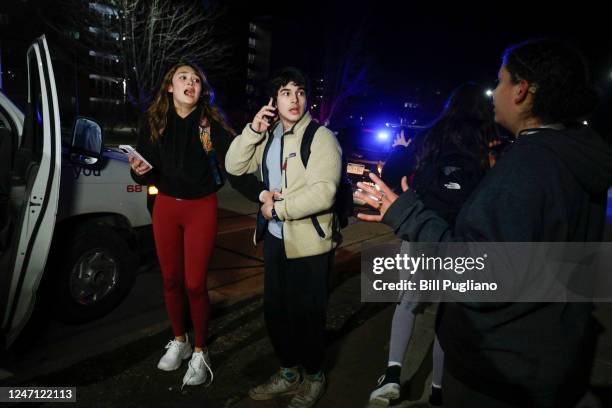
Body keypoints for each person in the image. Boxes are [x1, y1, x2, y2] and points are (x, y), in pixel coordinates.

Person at [355, 39, 612, 408]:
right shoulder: (573, 154)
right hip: (545, 355)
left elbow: (478, 278)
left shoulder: (527, 167)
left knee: (409, 303)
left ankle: (398, 376)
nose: (495, 94)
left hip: (499, 372)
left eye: (502, 81)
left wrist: (405, 212)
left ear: (522, 90)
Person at [129, 61, 265, 389]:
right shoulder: (153, 121)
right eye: (183, 77)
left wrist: (260, 190)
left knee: (194, 284)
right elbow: (141, 168)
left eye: (196, 80)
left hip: (201, 208)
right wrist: (138, 170)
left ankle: (201, 352)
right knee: (171, 280)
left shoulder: (209, 123)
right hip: (165, 207)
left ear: (201, 90)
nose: (191, 83)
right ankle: (180, 340)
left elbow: (236, 162)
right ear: (170, 87)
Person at [369, 83, 498, 407]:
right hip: (459, 235)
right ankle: (438, 389)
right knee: (445, 312)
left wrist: (400, 150)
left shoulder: (432, 134)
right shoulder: (489, 142)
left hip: (422, 227)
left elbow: (396, 171)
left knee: (408, 302)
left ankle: (393, 376)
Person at [225, 67, 342, 408]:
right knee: (276, 312)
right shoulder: (270, 135)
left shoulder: (321, 138)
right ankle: (289, 372)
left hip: (311, 244)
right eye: (286, 92)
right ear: (274, 100)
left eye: (300, 91)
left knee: (308, 315)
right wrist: (252, 131)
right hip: (277, 240)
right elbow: (234, 167)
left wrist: (277, 210)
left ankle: (314, 375)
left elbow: (324, 193)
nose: (295, 98)